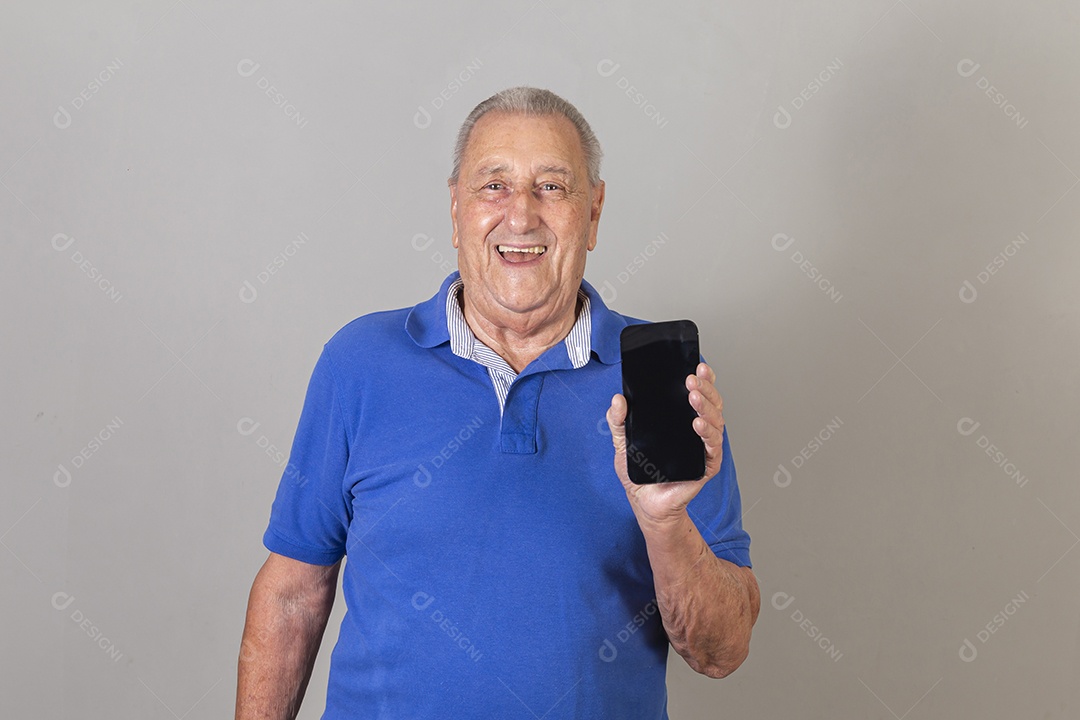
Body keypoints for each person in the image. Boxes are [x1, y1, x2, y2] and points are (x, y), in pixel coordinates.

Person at [235, 86, 760, 720]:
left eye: (552, 188)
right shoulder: (359, 363)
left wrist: (665, 523)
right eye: (494, 186)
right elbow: (293, 592)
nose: (520, 216)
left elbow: (720, 651)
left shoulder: (662, 384)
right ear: (455, 208)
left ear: (592, 214)